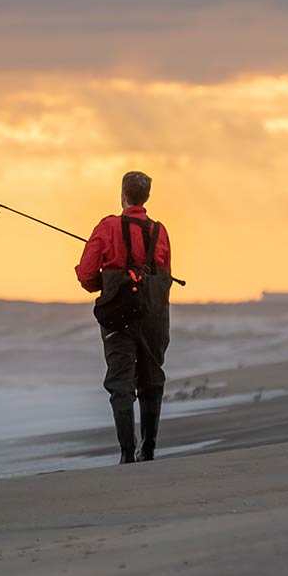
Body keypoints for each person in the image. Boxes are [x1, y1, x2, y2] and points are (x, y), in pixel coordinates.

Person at [74, 170, 172, 464]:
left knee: (120, 383)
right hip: (154, 314)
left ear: (123, 195)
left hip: (118, 314)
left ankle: (127, 454)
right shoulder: (160, 231)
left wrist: (103, 284)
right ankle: (149, 449)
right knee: (152, 379)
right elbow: (164, 273)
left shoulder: (108, 227)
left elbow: (87, 274)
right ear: (147, 197)